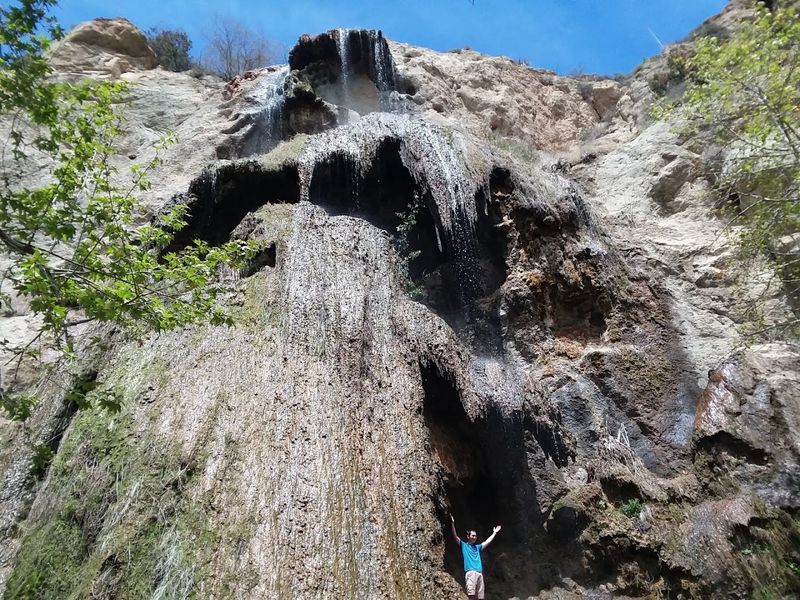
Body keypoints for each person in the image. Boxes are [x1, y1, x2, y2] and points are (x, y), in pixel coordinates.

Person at [450, 514, 501, 600]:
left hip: (479, 573)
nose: (474, 537)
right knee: (471, 595)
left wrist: (494, 533)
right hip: (471, 573)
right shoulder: (464, 546)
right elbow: (455, 537)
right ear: (468, 536)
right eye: (473, 535)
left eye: (475, 536)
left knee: (480, 597)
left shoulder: (477, 547)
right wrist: (452, 523)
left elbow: (487, 542)